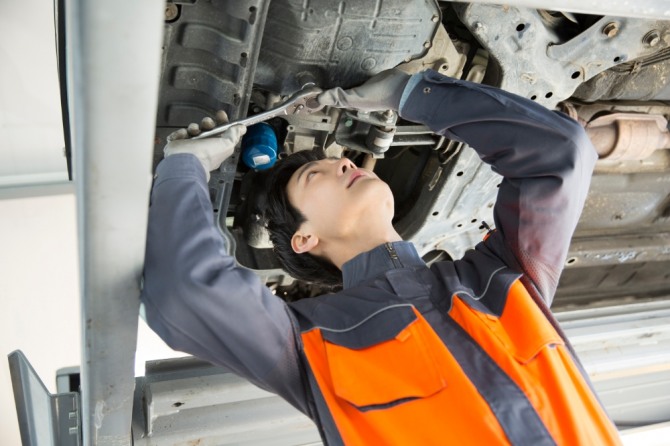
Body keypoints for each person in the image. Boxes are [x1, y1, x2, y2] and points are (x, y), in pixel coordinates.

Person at [142, 69, 622, 445]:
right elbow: (185, 295)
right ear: (303, 240)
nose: (344, 161)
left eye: (338, 161)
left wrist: (411, 95)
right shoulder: (310, 342)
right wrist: (184, 168)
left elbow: (562, 150)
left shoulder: (501, 278)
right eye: (317, 175)